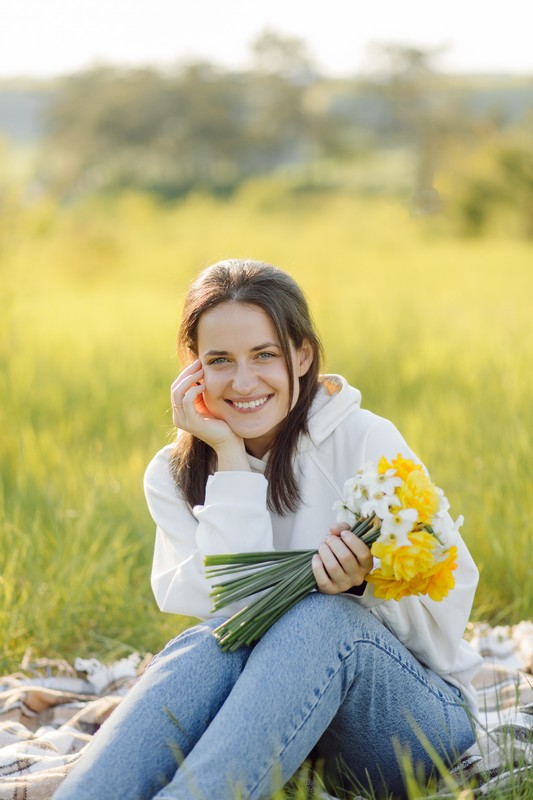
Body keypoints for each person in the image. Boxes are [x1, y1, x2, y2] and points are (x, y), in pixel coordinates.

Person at [55, 259, 481, 800]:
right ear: (194, 370)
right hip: (281, 732)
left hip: (409, 725)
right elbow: (234, 609)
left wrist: (364, 586)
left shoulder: (365, 440)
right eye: (220, 361)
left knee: (324, 618)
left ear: (301, 355)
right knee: (207, 644)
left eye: (264, 355)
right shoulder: (173, 474)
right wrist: (229, 457)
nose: (243, 382)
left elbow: (451, 598)